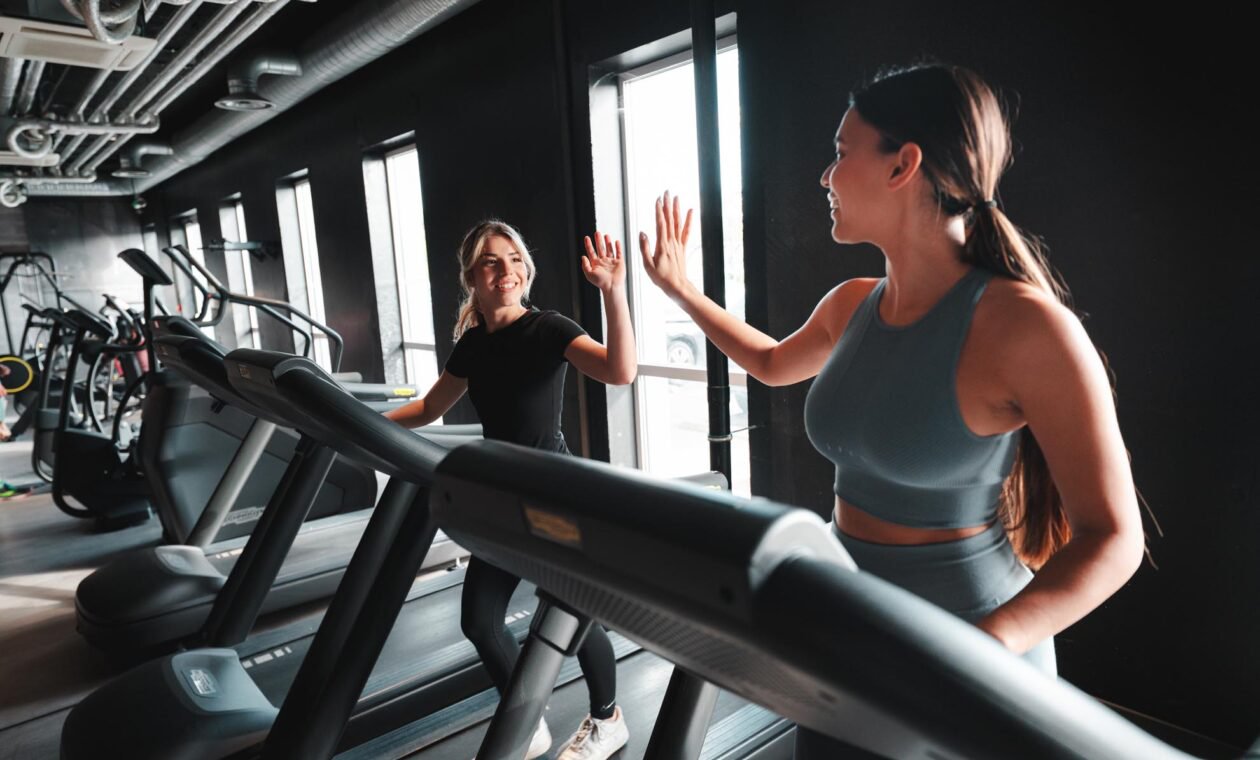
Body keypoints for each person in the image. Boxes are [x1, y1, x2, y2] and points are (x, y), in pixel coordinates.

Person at [638, 64, 1145, 758]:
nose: (825, 176)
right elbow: (768, 362)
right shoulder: (851, 304)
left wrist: (976, 650)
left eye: (843, 153)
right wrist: (681, 292)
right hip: (847, 616)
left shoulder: (1027, 329)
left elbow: (1114, 539)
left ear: (903, 164)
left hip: (969, 639)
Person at [386, 220, 636, 760]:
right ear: (471, 278)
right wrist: (362, 420)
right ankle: (529, 719)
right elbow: (430, 407)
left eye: (515, 259)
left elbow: (620, 371)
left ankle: (608, 718)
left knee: (568, 612)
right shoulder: (472, 345)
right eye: (492, 262)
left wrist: (614, 292)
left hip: (556, 495)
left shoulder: (548, 328)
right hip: (504, 499)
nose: (507, 270)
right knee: (479, 619)